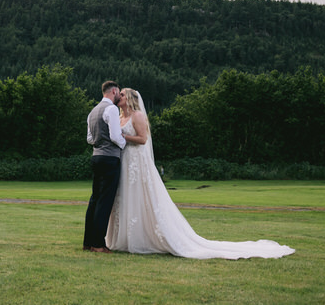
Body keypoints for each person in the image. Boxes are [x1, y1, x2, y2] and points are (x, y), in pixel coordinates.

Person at [106, 88, 295, 259]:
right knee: (126, 197)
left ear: (130, 98)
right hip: (124, 161)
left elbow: (142, 139)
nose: (119, 97)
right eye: (119, 94)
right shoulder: (120, 117)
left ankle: (143, 239)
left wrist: (124, 137)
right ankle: (125, 238)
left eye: (122, 94)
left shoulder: (137, 115)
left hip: (137, 161)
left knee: (142, 197)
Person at [82, 80, 126, 253]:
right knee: (104, 202)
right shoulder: (112, 109)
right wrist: (123, 144)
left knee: (94, 200)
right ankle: (98, 244)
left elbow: (90, 139)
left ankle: (87, 242)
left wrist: (100, 142)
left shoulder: (92, 111)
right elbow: (116, 136)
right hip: (109, 159)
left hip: (96, 157)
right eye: (119, 93)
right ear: (114, 91)